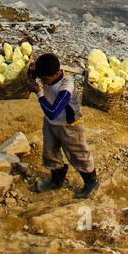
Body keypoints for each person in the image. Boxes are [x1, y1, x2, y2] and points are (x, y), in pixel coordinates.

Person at [26, 52, 99, 198]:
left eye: (45, 79)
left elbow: (53, 111)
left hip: (69, 125)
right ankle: (56, 179)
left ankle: (91, 182)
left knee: (77, 153)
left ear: (56, 73)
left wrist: (38, 92)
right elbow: (35, 75)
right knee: (49, 152)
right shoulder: (48, 74)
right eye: (42, 80)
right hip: (50, 123)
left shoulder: (66, 86)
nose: (44, 82)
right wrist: (31, 72)